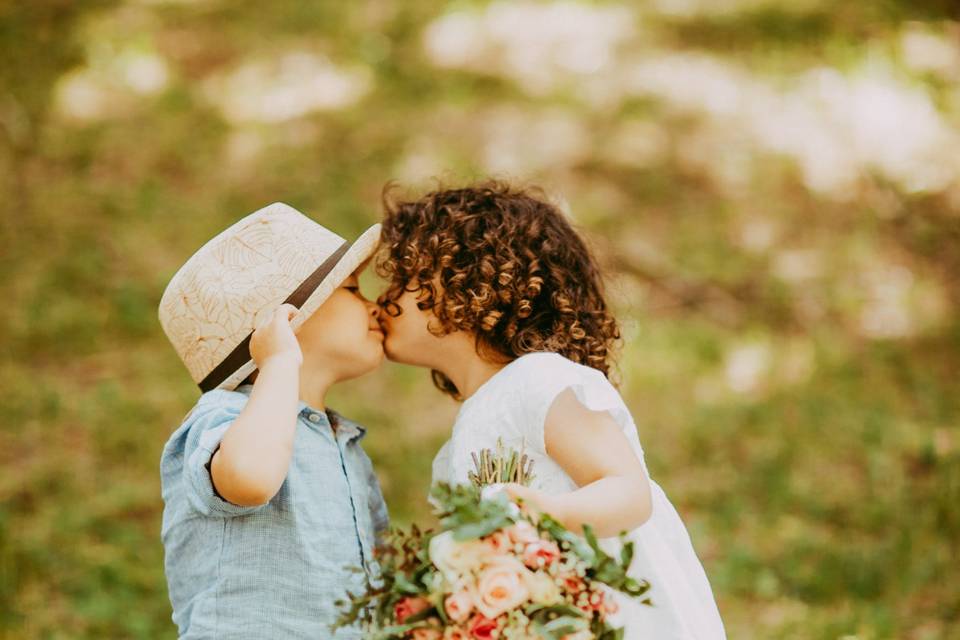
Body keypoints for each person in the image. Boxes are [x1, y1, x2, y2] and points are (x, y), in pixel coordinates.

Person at [375, 181, 726, 639]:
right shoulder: (463, 440)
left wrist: (540, 511)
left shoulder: (538, 381)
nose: (385, 298)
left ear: (469, 288)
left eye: (405, 280)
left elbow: (627, 490)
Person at [157, 203, 388, 639]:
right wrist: (280, 361)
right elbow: (249, 478)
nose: (374, 306)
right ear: (287, 319)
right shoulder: (224, 416)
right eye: (355, 291)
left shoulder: (345, 445)